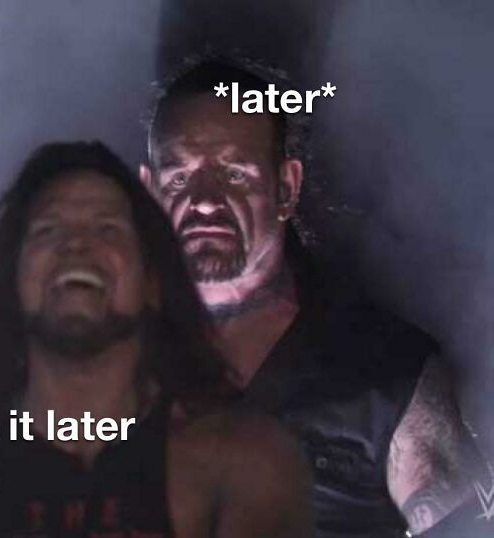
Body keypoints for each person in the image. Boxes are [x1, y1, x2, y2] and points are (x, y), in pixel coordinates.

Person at [0, 141, 311, 537]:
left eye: (107, 229)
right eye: (48, 230)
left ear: (153, 281)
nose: (76, 245)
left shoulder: (248, 462)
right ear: (12, 282)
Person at [142, 59, 485, 537]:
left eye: (233, 174)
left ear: (286, 187)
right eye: (179, 178)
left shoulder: (387, 374)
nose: (203, 200)